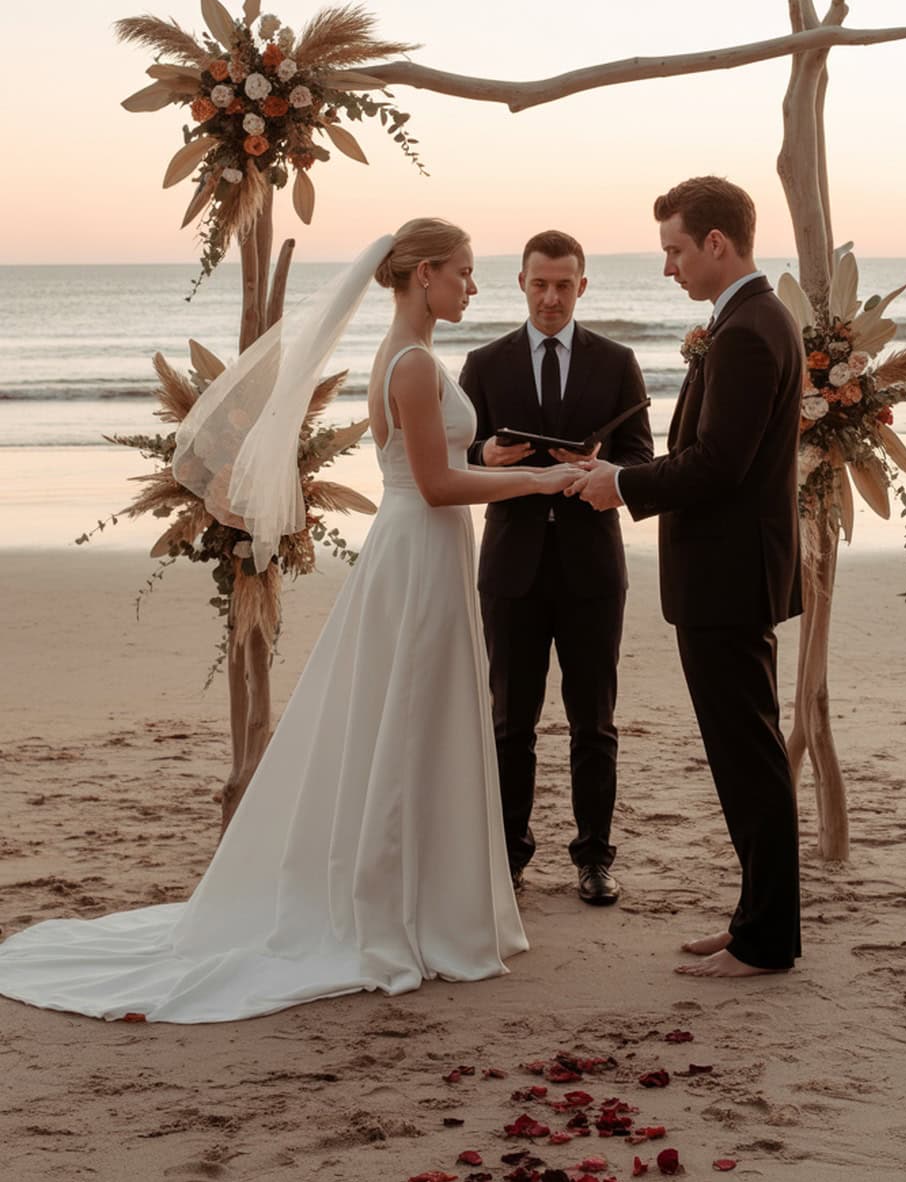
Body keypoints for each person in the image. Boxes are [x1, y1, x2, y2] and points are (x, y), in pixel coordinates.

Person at [0, 219, 577, 1023]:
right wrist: (545, 484)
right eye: (465, 273)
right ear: (422, 277)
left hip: (423, 552)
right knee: (410, 717)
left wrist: (496, 466)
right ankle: (403, 910)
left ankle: (431, 902)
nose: (473, 288)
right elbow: (434, 487)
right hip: (419, 552)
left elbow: (433, 467)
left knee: (417, 714)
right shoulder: (411, 363)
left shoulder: (410, 358)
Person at [568, 179, 802, 976]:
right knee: (747, 752)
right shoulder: (752, 318)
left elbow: (720, 464)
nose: (668, 267)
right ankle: (752, 923)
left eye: (674, 249)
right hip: (733, 575)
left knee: (749, 758)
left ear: (716, 244)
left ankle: (766, 940)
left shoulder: (744, 332)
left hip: (727, 580)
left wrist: (623, 485)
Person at [460, 230, 654, 905]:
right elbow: (452, 462)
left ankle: (594, 858)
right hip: (511, 565)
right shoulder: (484, 364)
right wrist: (485, 454)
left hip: (592, 566)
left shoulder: (617, 361)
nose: (550, 297)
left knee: (593, 720)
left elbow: (641, 461)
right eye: (540, 284)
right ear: (520, 282)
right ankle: (508, 857)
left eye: (563, 285)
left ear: (582, 286)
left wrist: (606, 470)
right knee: (510, 720)